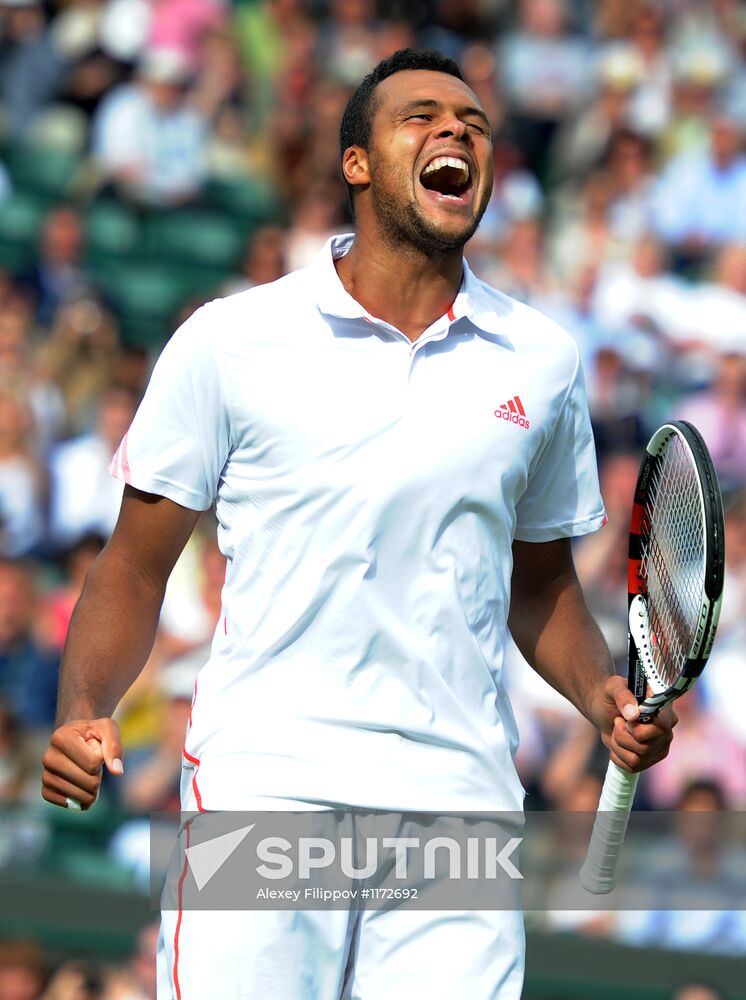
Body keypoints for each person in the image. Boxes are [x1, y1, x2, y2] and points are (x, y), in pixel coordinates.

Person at [41, 49, 676, 999]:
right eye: (420, 116)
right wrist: (83, 707)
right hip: (267, 787)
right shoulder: (229, 339)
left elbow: (536, 581)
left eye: (473, 123)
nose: (455, 131)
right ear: (357, 164)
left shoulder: (543, 361)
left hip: (459, 804)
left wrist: (601, 697)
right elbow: (133, 569)